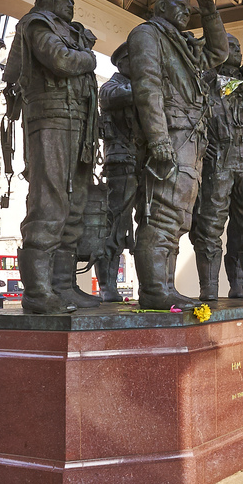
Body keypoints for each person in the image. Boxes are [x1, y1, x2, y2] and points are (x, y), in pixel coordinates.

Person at [127, 0, 229, 310]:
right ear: (159, 7)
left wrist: (211, 16)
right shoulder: (147, 34)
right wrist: (157, 138)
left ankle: (165, 287)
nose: (186, 13)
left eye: (189, 9)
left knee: (178, 218)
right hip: (171, 135)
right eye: (180, 7)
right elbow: (147, 86)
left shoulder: (182, 43)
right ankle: (155, 290)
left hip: (190, 138)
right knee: (162, 211)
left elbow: (219, 53)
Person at [3, 0, 99, 313]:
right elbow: (59, 59)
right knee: (50, 203)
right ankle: (37, 293)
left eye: (73, 0)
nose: (71, 5)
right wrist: (87, 57)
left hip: (78, 125)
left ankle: (63, 286)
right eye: (65, 0)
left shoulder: (69, 31)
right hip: (51, 121)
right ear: (48, 1)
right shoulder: (37, 23)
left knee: (75, 208)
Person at [196, 36, 243, 302]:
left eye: (240, 47)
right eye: (232, 47)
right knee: (210, 224)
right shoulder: (204, 80)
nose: (238, 51)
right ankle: (209, 288)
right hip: (220, 158)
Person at [96, 43, 140, 302]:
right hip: (121, 163)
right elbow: (123, 95)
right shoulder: (111, 87)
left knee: (148, 223)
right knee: (115, 225)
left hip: (144, 163)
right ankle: (107, 285)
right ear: (124, 62)